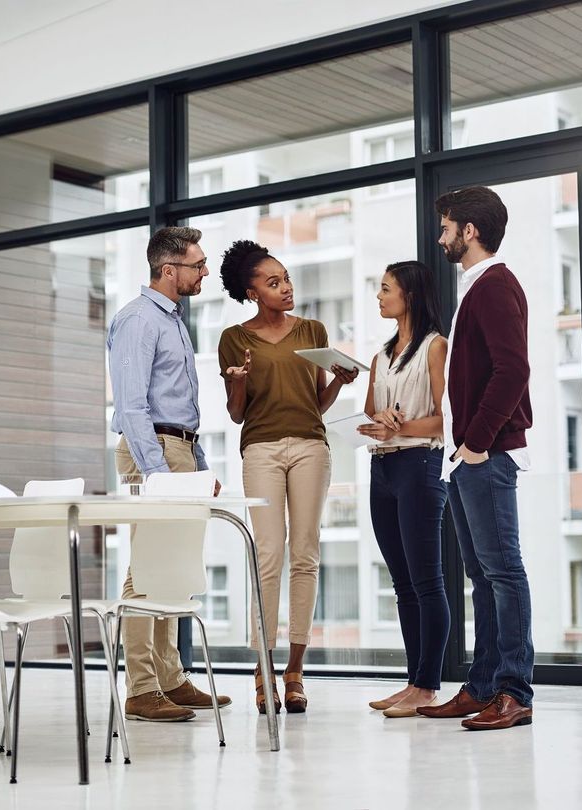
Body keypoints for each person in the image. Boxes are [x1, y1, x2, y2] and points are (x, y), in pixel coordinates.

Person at [216, 239, 359, 714]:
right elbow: (237, 414)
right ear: (252, 292)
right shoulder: (234, 339)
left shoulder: (312, 330)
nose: (286, 288)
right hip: (260, 449)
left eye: (287, 278)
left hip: (310, 447)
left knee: (306, 554)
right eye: (273, 282)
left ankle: (295, 670)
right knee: (269, 556)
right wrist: (236, 381)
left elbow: (315, 404)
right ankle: (264, 667)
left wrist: (339, 379)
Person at [416, 186, 535, 731]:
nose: (441, 237)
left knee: (502, 571)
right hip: (469, 456)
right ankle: (484, 686)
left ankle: (514, 691)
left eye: (446, 227)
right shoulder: (478, 287)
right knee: (484, 576)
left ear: (469, 231)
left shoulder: (493, 287)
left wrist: (478, 441)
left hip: (485, 454)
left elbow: (513, 370)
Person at [107, 226, 231, 722]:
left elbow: (179, 405)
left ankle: (171, 679)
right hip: (152, 451)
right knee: (144, 573)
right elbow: (133, 407)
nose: (204, 272)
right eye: (198, 265)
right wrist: (161, 474)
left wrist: (197, 469)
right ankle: (140, 687)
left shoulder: (172, 318)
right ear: (168, 269)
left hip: (178, 451)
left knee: (171, 570)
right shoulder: (138, 320)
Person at [356, 261, 450, 719]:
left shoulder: (436, 347)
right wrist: (380, 423)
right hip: (383, 470)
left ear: (409, 295)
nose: (379, 296)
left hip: (421, 465)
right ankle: (412, 681)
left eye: (385, 288)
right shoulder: (380, 356)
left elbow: (447, 418)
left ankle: (427, 686)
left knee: (427, 581)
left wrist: (403, 425)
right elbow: (371, 416)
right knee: (402, 584)